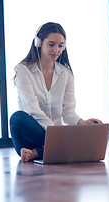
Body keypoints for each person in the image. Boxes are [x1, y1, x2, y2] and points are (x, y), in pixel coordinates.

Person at [10, 22, 102, 162]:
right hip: (33, 135)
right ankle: (59, 148)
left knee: (80, 131)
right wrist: (56, 134)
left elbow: (68, 112)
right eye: (51, 44)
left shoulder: (66, 73)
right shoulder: (23, 70)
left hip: (57, 137)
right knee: (17, 118)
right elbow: (32, 109)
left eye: (60, 46)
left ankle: (37, 153)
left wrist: (82, 123)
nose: (56, 50)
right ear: (39, 43)